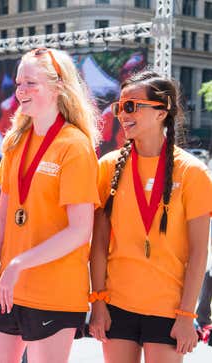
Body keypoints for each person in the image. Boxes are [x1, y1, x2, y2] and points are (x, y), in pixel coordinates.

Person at [0, 47, 101, 363]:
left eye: (30, 83)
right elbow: (3, 216)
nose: (20, 91)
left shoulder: (75, 146)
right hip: (8, 289)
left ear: (58, 85)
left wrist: (18, 263)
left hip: (54, 293)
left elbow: (80, 231)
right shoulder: (16, 141)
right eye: (18, 84)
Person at [89, 71, 212, 362]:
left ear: (162, 112)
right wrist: (98, 302)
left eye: (131, 106)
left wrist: (186, 315)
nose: (122, 114)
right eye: (120, 106)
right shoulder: (107, 167)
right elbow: (99, 245)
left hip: (169, 310)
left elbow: (198, 253)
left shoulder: (192, 172)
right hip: (116, 305)